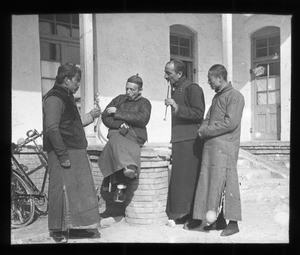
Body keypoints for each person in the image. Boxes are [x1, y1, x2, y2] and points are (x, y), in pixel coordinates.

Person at [43, 63, 101, 243]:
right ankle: (57, 230)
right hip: (63, 151)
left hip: (74, 150)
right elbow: (52, 129)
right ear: (66, 79)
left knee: (77, 190)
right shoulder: (54, 98)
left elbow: (72, 124)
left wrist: (92, 115)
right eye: (77, 81)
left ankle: (75, 227)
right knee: (60, 189)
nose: (78, 85)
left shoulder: (67, 96)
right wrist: (62, 155)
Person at [189, 64, 245, 236]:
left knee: (228, 182)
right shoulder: (216, 98)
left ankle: (233, 223)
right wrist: (202, 129)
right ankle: (218, 220)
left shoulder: (235, 96)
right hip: (211, 147)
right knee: (212, 183)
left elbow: (231, 123)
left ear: (220, 78)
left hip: (225, 147)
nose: (208, 82)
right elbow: (207, 118)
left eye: (210, 79)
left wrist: (206, 131)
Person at [164, 59, 205, 228]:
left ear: (180, 74)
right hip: (179, 140)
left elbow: (198, 113)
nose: (165, 76)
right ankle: (186, 213)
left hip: (190, 141)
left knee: (191, 179)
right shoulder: (177, 88)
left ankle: (195, 217)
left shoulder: (192, 88)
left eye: (169, 73)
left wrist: (176, 106)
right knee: (181, 181)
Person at [98, 74, 151, 200]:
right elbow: (105, 116)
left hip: (135, 134)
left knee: (114, 142)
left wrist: (118, 113)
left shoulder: (145, 103)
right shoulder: (119, 99)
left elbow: (143, 119)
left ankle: (109, 178)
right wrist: (119, 124)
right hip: (117, 131)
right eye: (127, 88)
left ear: (140, 91)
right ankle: (128, 170)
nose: (128, 92)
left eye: (132, 90)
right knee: (115, 138)